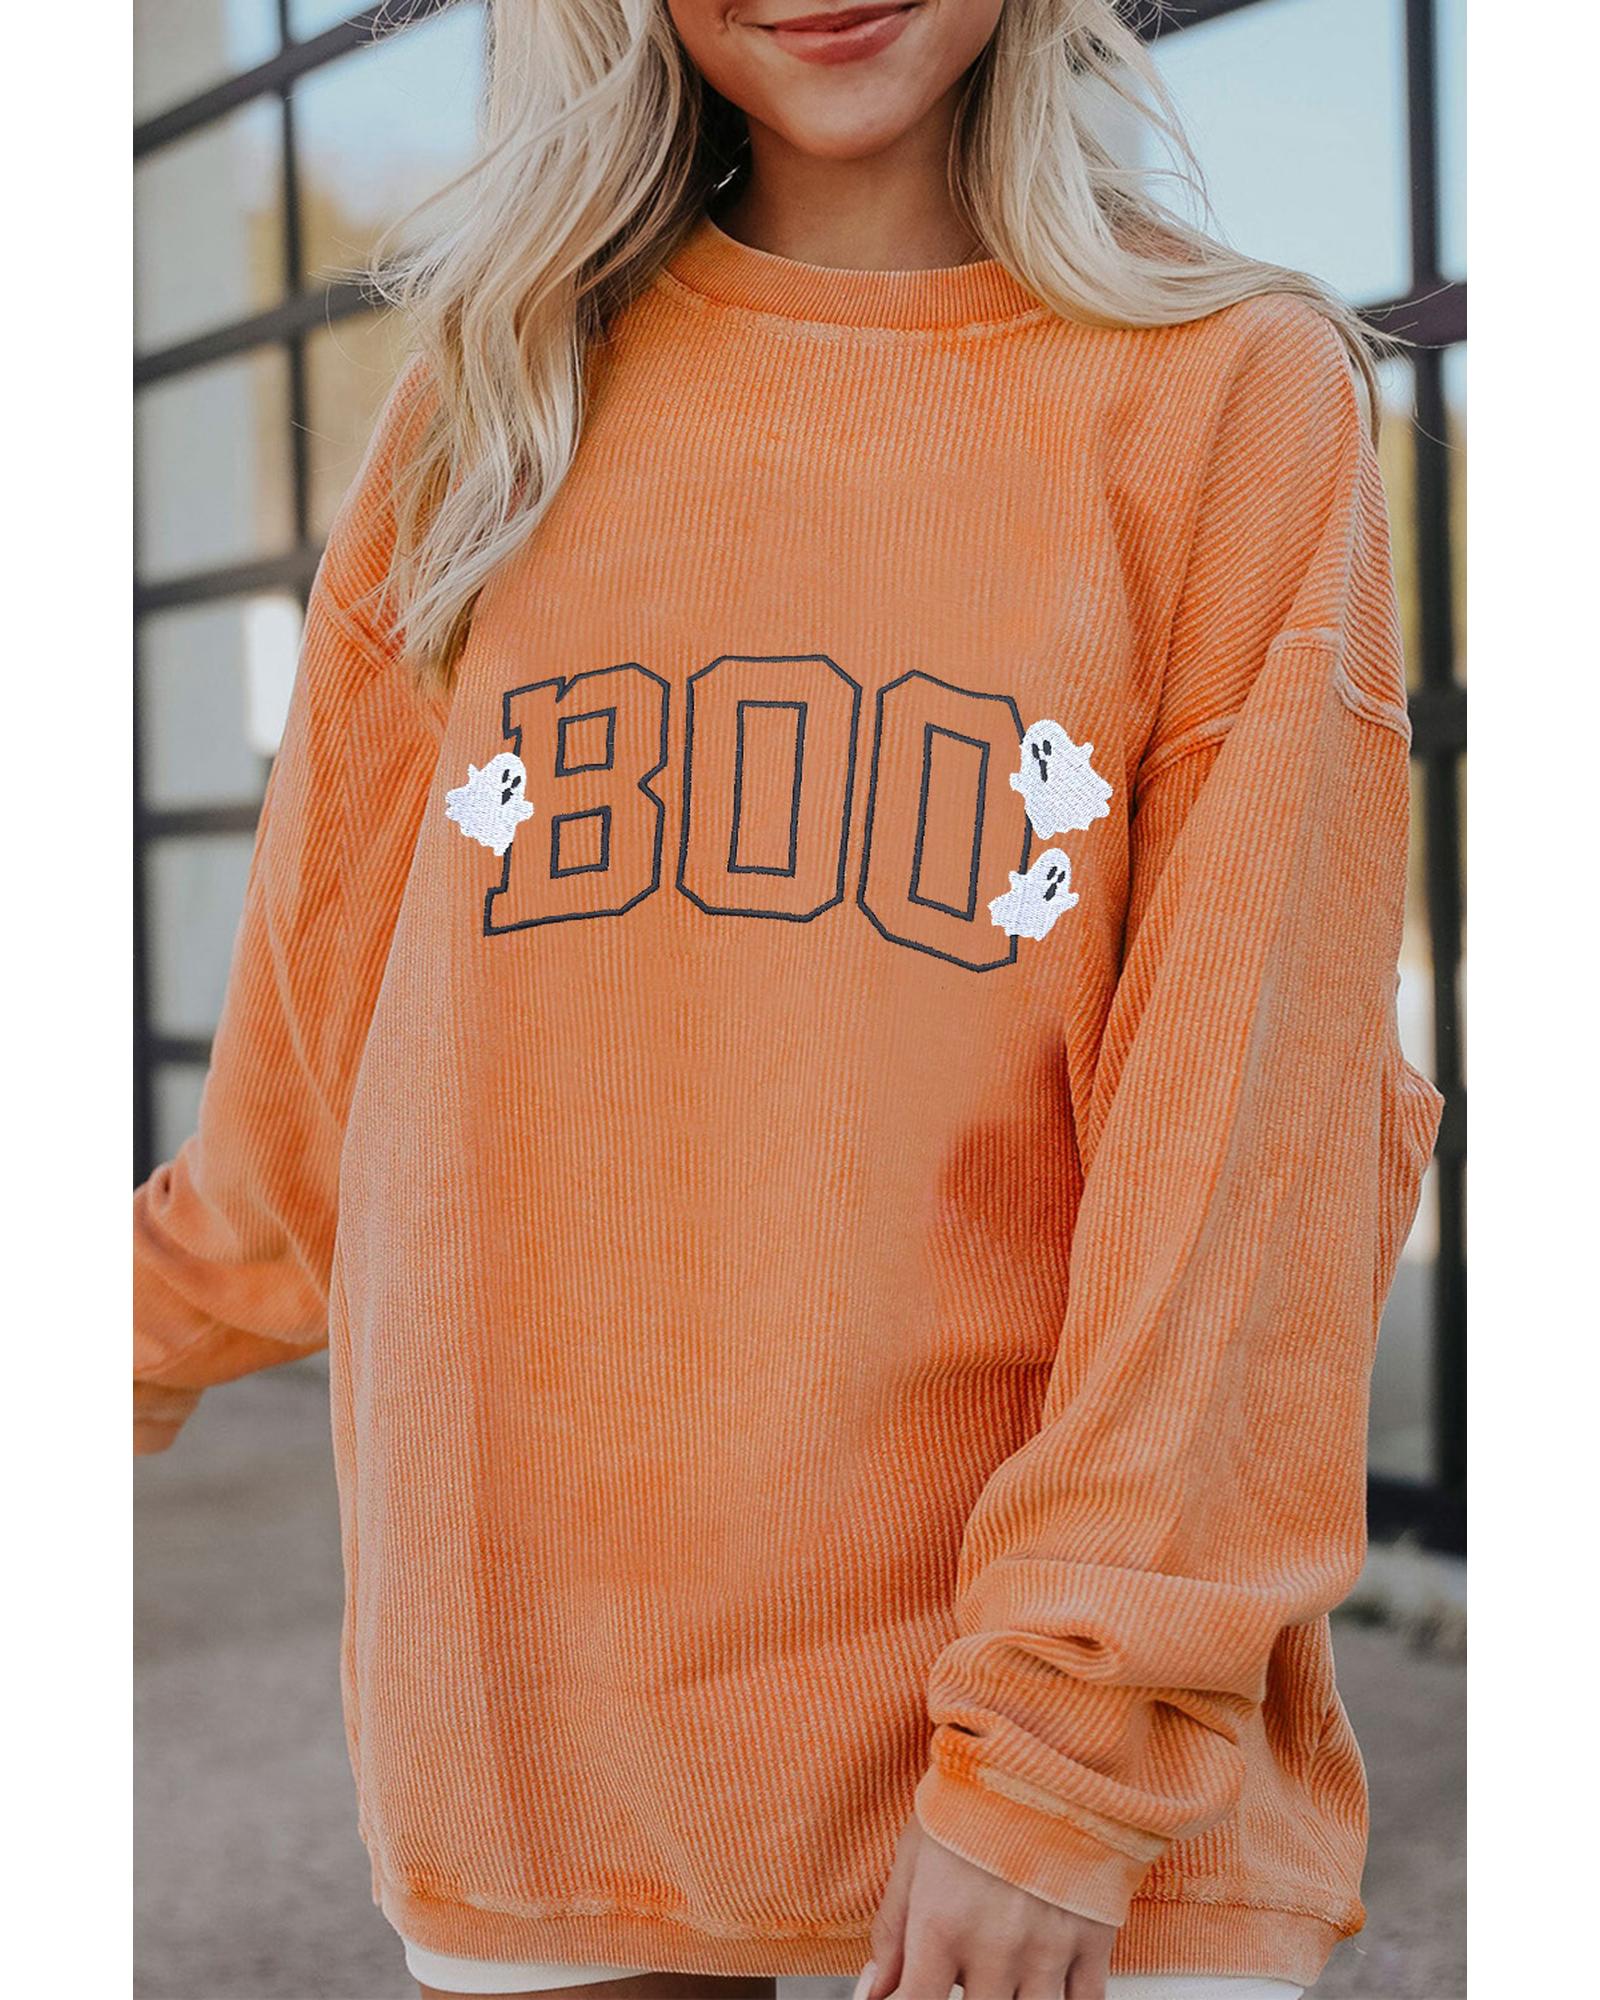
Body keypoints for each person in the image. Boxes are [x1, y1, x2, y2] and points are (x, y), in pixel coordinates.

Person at [132, 2, 1445, 1997]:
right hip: (542, 1699)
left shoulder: (1223, 397)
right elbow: (316, 1071)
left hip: (1051, 1758)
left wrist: (1065, 1748)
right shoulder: (493, 406)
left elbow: (1255, 1139)